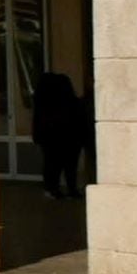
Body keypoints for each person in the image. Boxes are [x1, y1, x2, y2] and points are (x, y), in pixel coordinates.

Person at [31, 69, 90, 201]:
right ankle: (70, 189)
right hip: (70, 139)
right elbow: (80, 121)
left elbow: (38, 123)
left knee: (52, 165)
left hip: (53, 139)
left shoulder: (43, 104)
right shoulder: (72, 103)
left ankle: (53, 189)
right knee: (69, 166)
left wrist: (38, 137)